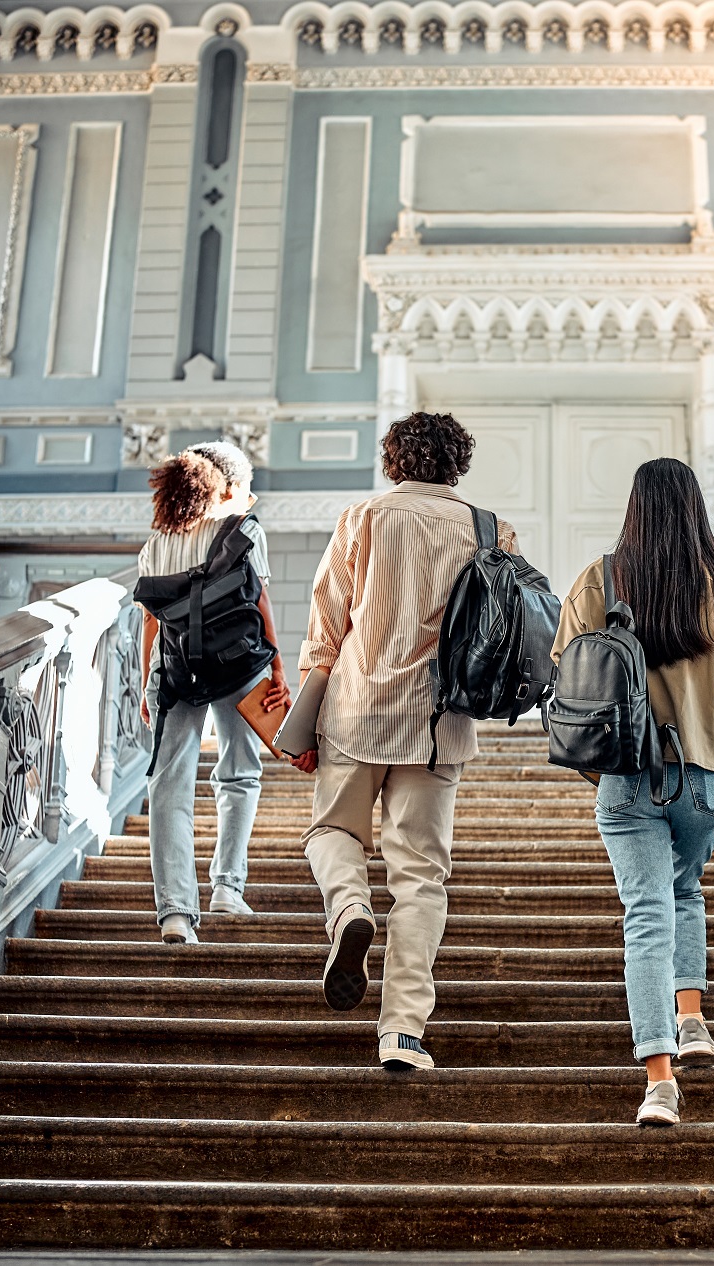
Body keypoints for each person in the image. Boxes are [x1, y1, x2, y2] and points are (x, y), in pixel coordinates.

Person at [552, 458, 714, 1127]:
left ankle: (659, 1083)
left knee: (645, 916)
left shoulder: (601, 579)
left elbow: (568, 676)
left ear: (635, 508)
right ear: (694, 509)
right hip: (707, 776)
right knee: (684, 892)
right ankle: (692, 1021)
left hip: (631, 777)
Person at [295, 411, 519, 1072]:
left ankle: (349, 908)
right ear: (457, 465)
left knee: (332, 831)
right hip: (441, 724)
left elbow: (325, 625)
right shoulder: (489, 529)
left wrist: (304, 717)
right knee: (421, 878)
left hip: (356, 710)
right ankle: (402, 1033)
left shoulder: (361, 518)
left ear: (394, 460)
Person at [137, 443, 288, 945]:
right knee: (240, 773)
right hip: (239, 666)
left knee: (169, 783)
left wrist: (146, 681)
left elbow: (150, 621)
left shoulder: (158, 539)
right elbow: (259, 601)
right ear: (226, 487)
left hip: (176, 671)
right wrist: (278, 669)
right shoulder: (244, 531)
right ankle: (227, 886)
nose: (251, 496)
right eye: (245, 487)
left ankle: (177, 912)